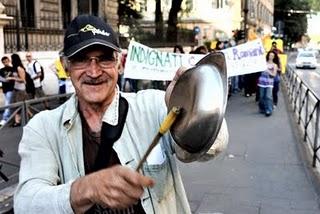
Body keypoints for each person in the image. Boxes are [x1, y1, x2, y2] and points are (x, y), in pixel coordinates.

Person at [14, 15, 228, 214]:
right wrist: (86, 188)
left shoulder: (154, 105)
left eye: (104, 58)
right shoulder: (43, 127)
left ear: (118, 62)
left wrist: (189, 102)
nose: (94, 72)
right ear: (65, 65)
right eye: (81, 59)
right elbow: (25, 203)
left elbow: (213, 146)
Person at [8, 54, 27, 126]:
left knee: (18, 106)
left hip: (21, 90)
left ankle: (17, 121)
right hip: (16, 89)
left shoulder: (19, 68)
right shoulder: (15, 68)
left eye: (12, 59)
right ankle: (17, 120)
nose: (11, 61)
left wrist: (12, 78)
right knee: (15, 105)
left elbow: (23, 80)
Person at [257, 51, 278, 117]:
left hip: (269, 83)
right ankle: (262, 108)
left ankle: (269, 110)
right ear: (268, 56)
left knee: (268, 96)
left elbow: (274, 74)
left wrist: (268, 71)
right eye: (270, 55)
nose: (271, 57)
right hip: (262, 82)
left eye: (272, 56)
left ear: (274, 57)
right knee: (261, 96)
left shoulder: (274, 65)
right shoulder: (263, 63)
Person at [0, 56, 15, 127]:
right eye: (4, 62)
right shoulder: (1, 70)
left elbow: (15, 77)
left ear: (9, 61)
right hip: (5, 89)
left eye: (6, 61)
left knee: (7, 103)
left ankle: (5, 118)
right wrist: (5, 80)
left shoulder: (12, 69)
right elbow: (1, 79)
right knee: (9, 103)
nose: (5, 63)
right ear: (2, 63)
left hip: (11, 88)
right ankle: (11, 118)